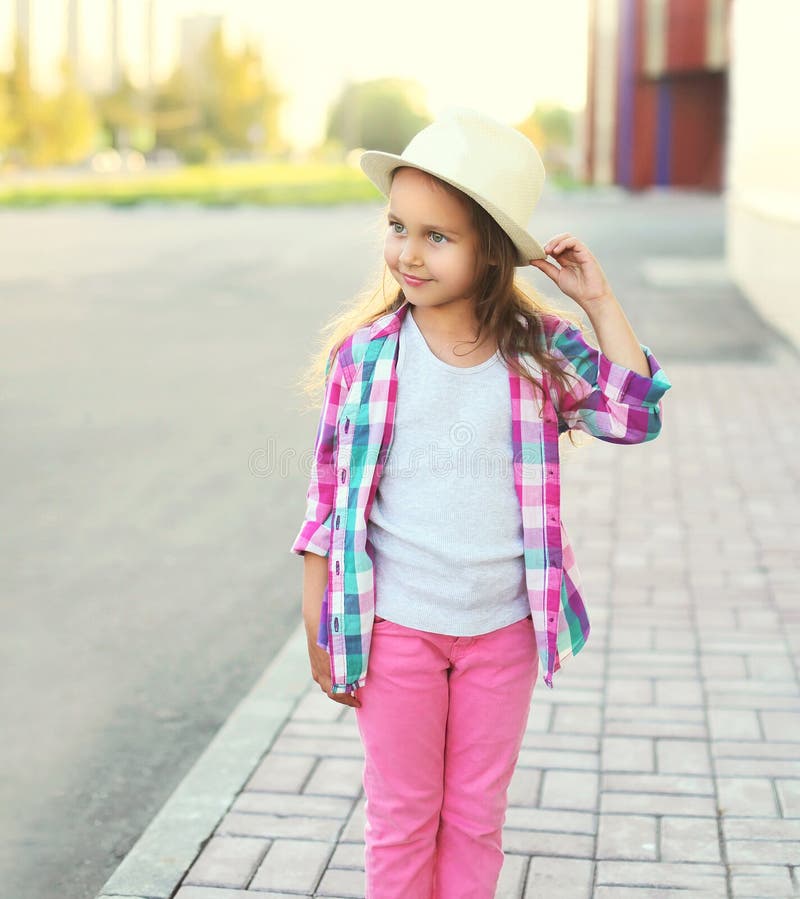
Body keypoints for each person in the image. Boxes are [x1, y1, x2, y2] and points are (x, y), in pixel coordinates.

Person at [290, 107, 671, 899]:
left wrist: (599, 305)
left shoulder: (539, 352)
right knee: (402, 816)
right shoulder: (366, 355)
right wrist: (318, 620)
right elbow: (328, 500)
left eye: (438, 236)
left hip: (504, 633)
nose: (408, 252)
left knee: (473, 817)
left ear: (492, 251)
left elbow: (634, 417)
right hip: (395, 627)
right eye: (399, 226)